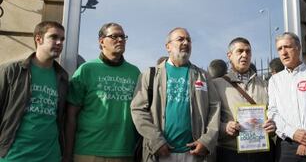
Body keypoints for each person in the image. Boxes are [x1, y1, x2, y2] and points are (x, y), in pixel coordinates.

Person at [131, 27, 220, 162]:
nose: (186, 43)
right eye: (180, 39)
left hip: (194, 154)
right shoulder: (150, 75)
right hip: (160, 153)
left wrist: (207, 141)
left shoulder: (203, 76)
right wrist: (156, 141)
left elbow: (215, 108)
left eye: (188, 40)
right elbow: (138, 110)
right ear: (168, 46)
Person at [63, 23, 141, 162]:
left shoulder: (135, 72)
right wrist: (68, 154)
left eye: (123, 37)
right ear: (101, 41)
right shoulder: (86, 69)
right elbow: (70, 115)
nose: (120, 40)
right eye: (114, 36)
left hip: (124, 152)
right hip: (87, 151)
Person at [0, 21, 68, 161]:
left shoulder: (62, 76)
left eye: (62, 39)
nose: (59, 42)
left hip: (50, 156)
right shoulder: (12, 71)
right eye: (54, 37)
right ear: (39, 39)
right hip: (14, 155)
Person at [210, 37, 277, 162]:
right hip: (230, 152)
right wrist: (225, 127)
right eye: (240, 51)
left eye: (248, 51)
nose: (244, 55)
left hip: (262, 153)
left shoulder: (265, 84)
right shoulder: (217, 85)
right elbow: (209, 120)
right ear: (229, 56)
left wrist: (273, 125)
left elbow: (275, 112)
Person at [268, 32, 306, 162]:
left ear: (298, 48)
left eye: (288, 47)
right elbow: (273, 112)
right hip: (287, 146)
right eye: (280, 49)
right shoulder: (274, 80)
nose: (283, 52)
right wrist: (293, 133)